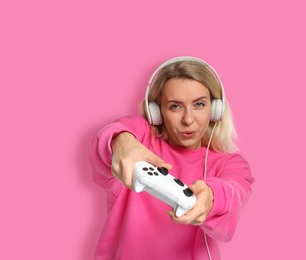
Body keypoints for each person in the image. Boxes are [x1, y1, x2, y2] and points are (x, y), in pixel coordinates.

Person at [89, 56, 254, 260]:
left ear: (216, 109)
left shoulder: (231, 164)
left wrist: (211, 196)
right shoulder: (140, 137)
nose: (188, 119)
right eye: (175, 106)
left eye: (199, 104)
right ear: (157, 112)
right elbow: (111, 134)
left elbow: (234, 191)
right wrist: (121, 142)